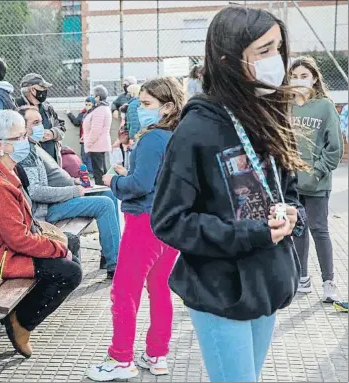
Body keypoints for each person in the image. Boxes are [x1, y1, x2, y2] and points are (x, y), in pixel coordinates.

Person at [150, 7, 307, 382]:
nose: (277, 61)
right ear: (228, 60)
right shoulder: (196, 130)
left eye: (279, 48)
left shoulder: (268, 112)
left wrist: (292, 213)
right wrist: (251, 233)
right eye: (264, 50)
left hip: (267, 282)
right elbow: (169, 220)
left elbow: (288, 190)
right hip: (220, 291)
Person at [87, 77, 184, 381]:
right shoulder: (179, 136)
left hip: (145, 222)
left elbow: (140, 185)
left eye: (147, 104)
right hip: (170, 222)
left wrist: (114, 182)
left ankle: (120, 359)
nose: (140, 109)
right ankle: (157, 355)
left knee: (124, 290)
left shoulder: (153, 138)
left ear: (167, 106)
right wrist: (129, 175)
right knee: (159, 290)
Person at [0, 109, 82, 358]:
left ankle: (22, 312)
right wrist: (58, 248)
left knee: (71, 246)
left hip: (3, 250)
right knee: (70, 271)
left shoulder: (3, 169)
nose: (26, 140)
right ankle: (21, 323)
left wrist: (58, 244)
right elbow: (18, 239)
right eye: (18, 137)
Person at [17, 106, 121, 279]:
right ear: (22, 127)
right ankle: (115, 264)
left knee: (109, 195)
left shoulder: (33, 147)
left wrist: (74, 183)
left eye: (41, 122)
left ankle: (110, 255)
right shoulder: (25, 152)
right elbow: (36, 192)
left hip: (51, 204)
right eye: (35, 123)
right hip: (44, 212)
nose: (40, 127)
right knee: (105, 204)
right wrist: (73, 191)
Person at [289, 56, 344, 302]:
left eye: (304, 76)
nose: (299, 81)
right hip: (290, 182)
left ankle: (328, 281)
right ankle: (302, 278)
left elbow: (335, 147)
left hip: (316, 183)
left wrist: (317, 171)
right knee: (298, 230)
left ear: (314, 79)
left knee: (318, 229)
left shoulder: (324, 106)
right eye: (294, 76)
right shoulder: (285, 105)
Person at [17, 73, 66, 164]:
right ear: (32, 89)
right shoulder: (17, 108)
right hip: (29, 162)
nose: (45, 91)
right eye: (42, 88)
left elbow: (61, 126)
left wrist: (53, 133)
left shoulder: (47, 107)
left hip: (52, 161)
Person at [83, 85, 112, 185]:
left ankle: (101, 191)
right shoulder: (102, 108)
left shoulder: (100, 109)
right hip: (99, 144)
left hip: (97, 145)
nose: (92, 97)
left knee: (99, 172)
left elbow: (96, 130)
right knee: (101, 171)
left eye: (93, 95)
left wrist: (88, 142)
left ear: (98, 97)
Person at [67, 96, 95, 174]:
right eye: (86, 104)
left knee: (91, 157)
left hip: (93, 139)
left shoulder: (96, 114)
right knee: (85, 157)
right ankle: (88, 173)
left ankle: (91, 172)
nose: (87, 106)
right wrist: (69, 114)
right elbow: (76, 122)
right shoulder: (83, 113)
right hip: (84, 139)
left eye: (89, 104)